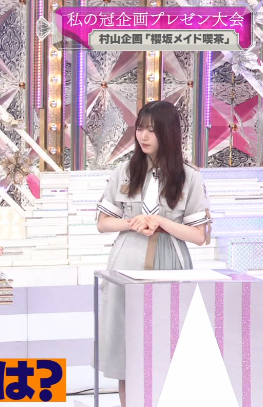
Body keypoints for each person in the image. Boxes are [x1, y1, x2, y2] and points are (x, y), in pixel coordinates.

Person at [96, 101, 211, 406]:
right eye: (140, 128)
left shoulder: (190, 177)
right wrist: (133, 222)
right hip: (126, 261)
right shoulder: (124, 170)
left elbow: (199, 236)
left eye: (152, 130)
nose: (143, 136)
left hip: (170, 263)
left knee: (169, 342)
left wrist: (161, 222)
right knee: (126, 346)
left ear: (168, 133)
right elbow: (103, 223)